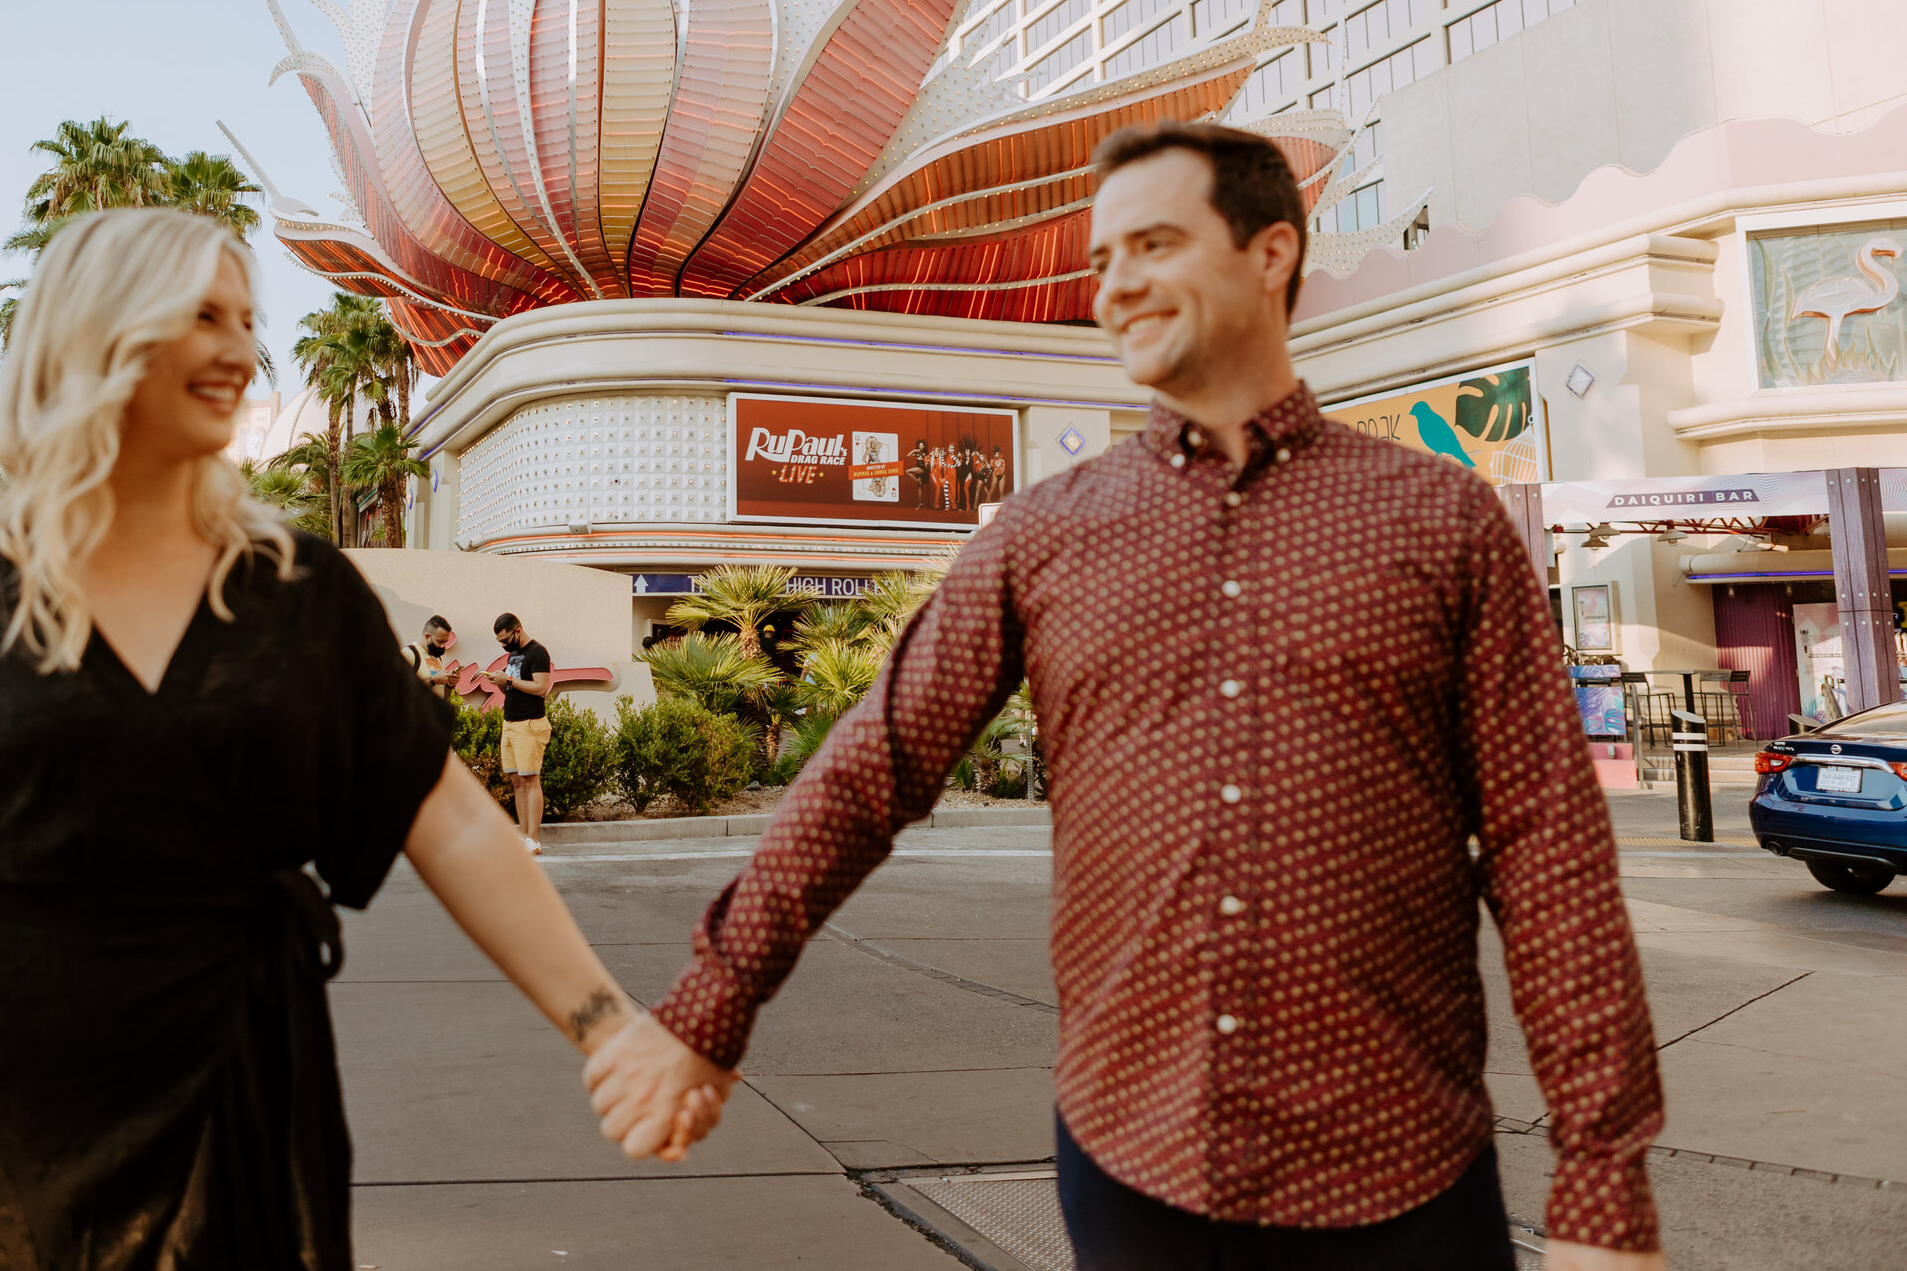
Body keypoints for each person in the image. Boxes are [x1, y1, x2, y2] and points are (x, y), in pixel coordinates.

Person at [586, 122, 1668, 1271]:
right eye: (1101, 260)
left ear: (1271, 254)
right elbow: (871, 768)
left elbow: (1544, 849)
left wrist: (1602, 1184)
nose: (1116, 286)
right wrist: (713, 1002)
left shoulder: (1439, 522)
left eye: (1152, 243)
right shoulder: (1042, 535)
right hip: (1133, 1162)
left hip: (1399, 1169)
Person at [0, 209, 715, 1271]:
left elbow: (455, 825)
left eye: (249, 319)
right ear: (97, 331)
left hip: (244, 1108)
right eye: (204, 314)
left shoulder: (298, 595)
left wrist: (606, 1023)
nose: (242, 349)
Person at [487, 612, 555, 854]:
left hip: (529, 724)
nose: (504, 645)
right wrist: (502, 684)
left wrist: (510, 681)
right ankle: (524, 836)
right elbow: (515, 690)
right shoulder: (514, 655)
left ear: (517, 630)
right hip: (511, 722)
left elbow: (541, 688)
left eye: (506, 639)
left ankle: (534, 839)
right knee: (517, 782)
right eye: (500, 642)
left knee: (530, 779)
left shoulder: (537, 652)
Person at [416, 614, 458, 694]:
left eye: (445, 642)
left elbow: (443, 696)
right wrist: (433, 681)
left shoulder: (436, 657)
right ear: (427, 636)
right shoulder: (409, 654)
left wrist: (450, 684)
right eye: (440, 641)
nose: (443, 646)